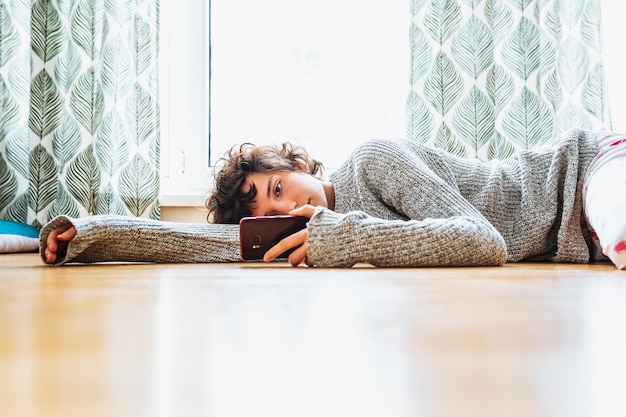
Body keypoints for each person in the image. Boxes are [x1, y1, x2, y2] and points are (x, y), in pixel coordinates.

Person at [42, 129, 626, 269]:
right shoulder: (309, 231)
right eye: (267, 217)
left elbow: (484, 242)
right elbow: (196, 243)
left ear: (299, 165)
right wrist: (90, 235)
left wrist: (339, 237)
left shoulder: (374, 160)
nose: (284, 211)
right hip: (584, 240)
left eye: (278, 188)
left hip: (581, 169)